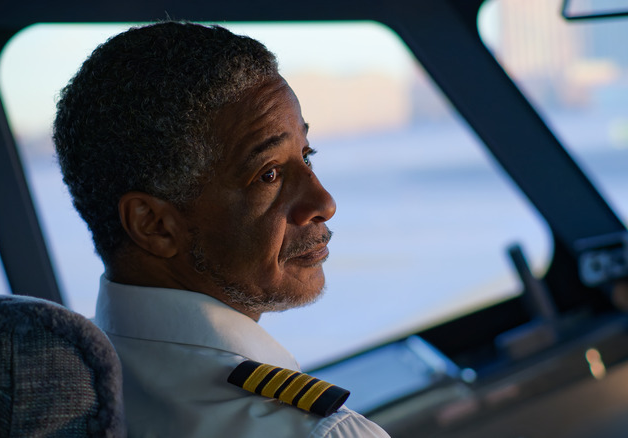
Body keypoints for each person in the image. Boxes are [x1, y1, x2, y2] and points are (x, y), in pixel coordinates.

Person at [53, 21, 390, 437]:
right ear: (154, 225)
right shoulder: (321, 433)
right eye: (269, 174)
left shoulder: (60, 388)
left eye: (307, 155)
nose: (323, 203)